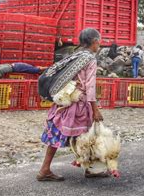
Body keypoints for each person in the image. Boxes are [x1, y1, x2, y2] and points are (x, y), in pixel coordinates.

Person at [38, 28, 104, 181]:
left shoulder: (75, 56)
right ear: (94, 42)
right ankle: (89, 169)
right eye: (99, 42)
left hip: (64, 102)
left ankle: (45, 169)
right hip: (78, 105)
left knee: (56, 133)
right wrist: (95, 109)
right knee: (86, 135)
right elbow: (90, 86)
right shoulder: (90, 59)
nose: (99, 45)